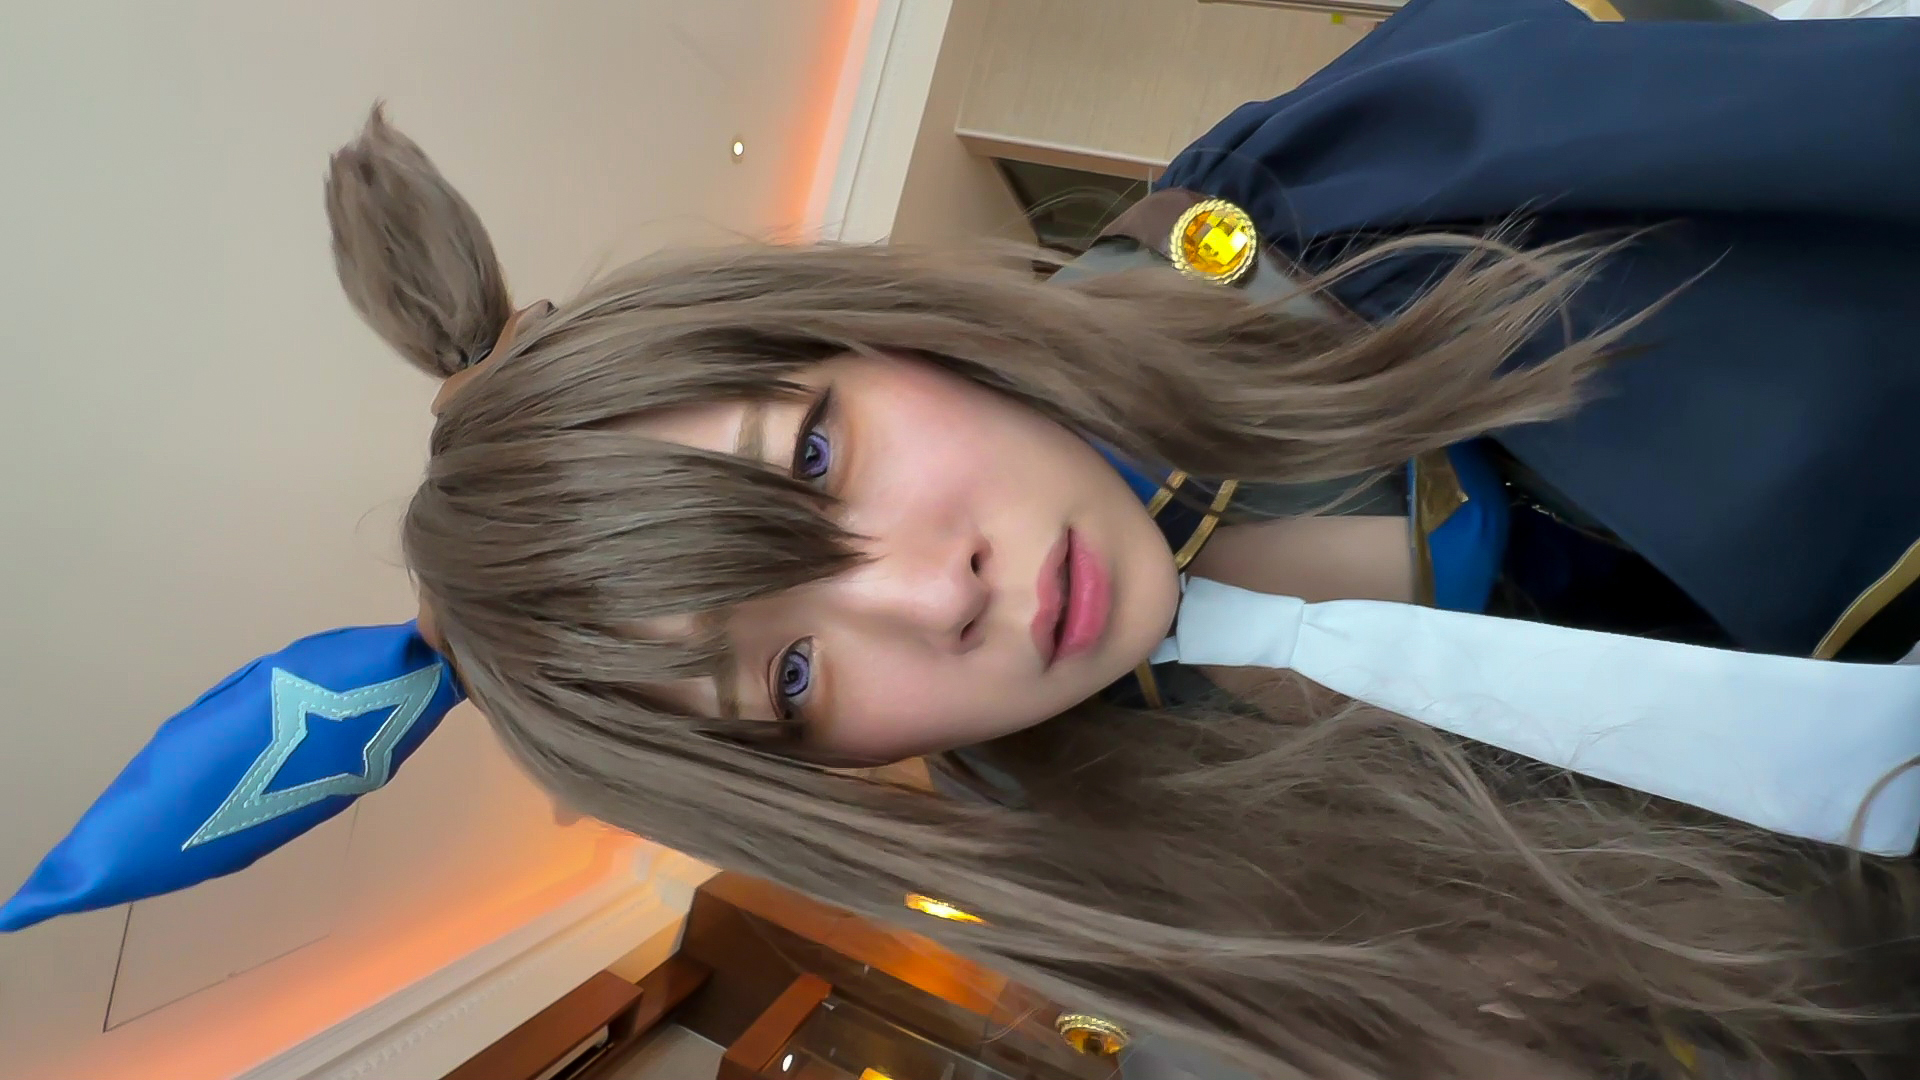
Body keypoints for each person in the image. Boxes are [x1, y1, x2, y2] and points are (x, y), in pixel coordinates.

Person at [9, 1, 1920, 1077]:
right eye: (788, 672)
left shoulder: (1364, 174)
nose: (938, 591)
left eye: (815, 451)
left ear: (858, 334)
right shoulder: (1194, 962)